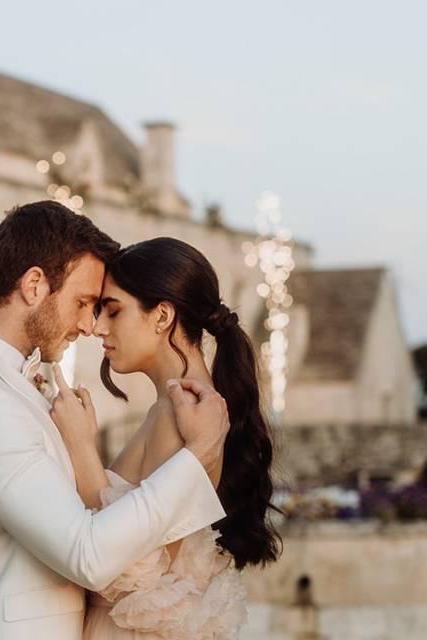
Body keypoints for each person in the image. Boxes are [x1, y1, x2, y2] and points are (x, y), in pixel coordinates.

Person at [0, 202, 229, 639]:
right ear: (33, 285)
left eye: (102, 308)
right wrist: (197, 456)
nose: (89, 325)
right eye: (83, 302)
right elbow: (87, 554)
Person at [49, 237, 281, 639]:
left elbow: (137, 571)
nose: (98, 327)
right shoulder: (181, 404)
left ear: (162, 316)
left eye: (113, 311)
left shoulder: (181, 412)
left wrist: (81, 446)